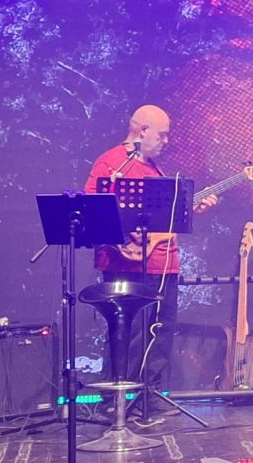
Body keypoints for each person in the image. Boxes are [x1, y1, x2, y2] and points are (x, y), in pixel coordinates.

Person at [84, 104, 217, 389]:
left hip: (164, 265)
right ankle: (117, 399)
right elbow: (93, 211)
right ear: (142, 131)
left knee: (160, 333)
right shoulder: (111, 163)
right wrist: (124, 235)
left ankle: (150, 395)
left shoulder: (154, 169)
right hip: (128, 265)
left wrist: (190, 211)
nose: (166, 141)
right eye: (162, 135)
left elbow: (162, 220)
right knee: (129, 334)